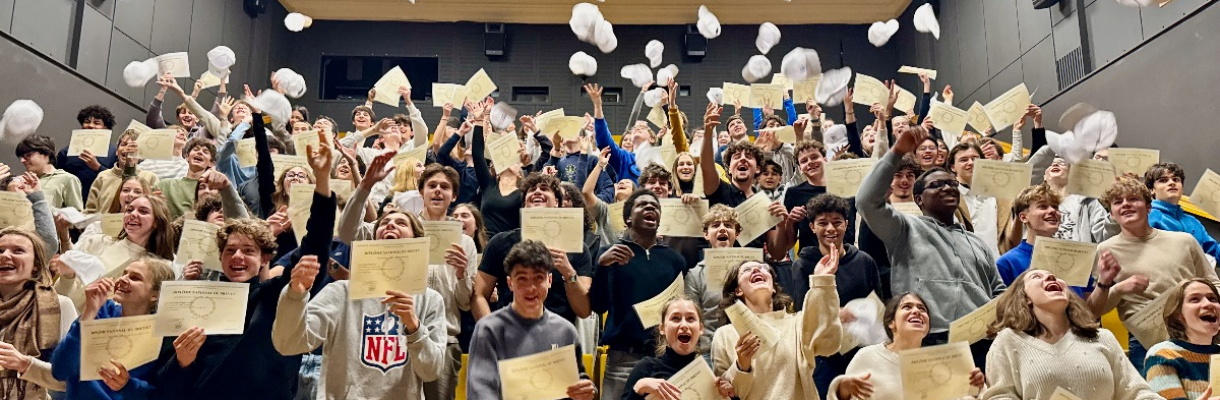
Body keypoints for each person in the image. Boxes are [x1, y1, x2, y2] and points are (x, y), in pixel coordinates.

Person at [154, 131, 335, 400]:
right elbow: (165, 387)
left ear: (264, 258)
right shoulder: (193, 301)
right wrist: (181, 362)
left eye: (248, 250)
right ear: (221, 257)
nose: (237, 256)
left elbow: (316, 244)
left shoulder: (276, 296)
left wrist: (321, 181)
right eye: (230, 250)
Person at [856, 122, 1004, 365]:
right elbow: (866, 201)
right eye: (936, 185)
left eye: (952, 184)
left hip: (983, 342)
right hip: (930, 341)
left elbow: (998, 289)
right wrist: (897, 151)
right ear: (918, 199)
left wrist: (1001, 317)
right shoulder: (904, 229)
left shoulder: (977, 242)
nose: (947, 187)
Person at [271, 233, 447, 400]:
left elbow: (430, 371)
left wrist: (414, 326)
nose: (391, 225)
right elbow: (289, 344)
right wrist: (295, 296)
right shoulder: (340, 291)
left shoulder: (431, 299)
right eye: (384, 223)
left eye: (401, 222)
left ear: (416, 242)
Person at [1090, 178, 1218, 372]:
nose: (1125, 205)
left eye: (1133, 199)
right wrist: (1115, 287)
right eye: (1117, 202)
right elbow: (1093, 311)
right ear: (1112, 214)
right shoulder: (1104, 250)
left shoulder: (1185, 241)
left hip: (1200, 335)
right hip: (1146, 345)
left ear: (1149, 206)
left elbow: (1213, 283)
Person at [981, 269, 1167, 400]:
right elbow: (1000, 396)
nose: (1051, 277)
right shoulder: (1007, 341)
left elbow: (1136, 393)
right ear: (1025, 299)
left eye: (1054, 276)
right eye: (1037, 277)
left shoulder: (1102, 337)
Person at [465, 240, 598, 400]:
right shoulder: (489, 329)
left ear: (549, 281)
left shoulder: (565, 330)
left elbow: (577, 379)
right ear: (510, 283)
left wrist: (585, 389)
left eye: (538, 278)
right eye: (522, 279)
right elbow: (480, 389)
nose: (531, 288)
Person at [589, 188, 688, 400]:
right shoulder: (610, 253)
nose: (651, 207)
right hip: (623, 359)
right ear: (627, 218)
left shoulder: (675, 261)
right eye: (642, 204)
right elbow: (598, 305)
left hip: (664, 359)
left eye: (655, 206)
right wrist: (602, 266)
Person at [788, 193, 880, 397]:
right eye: (823, 223)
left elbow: (877, 303)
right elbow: (804, 313)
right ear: (812, 226)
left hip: (860, 351)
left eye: (837, 222)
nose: (831, 229)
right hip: (824, 357)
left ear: (846, 224)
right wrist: (837, 314)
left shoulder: (864, 261)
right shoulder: (803, 265)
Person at [710, 257, 842, 400]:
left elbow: (829, 343)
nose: (756, 270)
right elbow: (723, 393)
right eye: (746, 270)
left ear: (773, 287)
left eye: (763, 268)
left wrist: (822, 282)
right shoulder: (724, 334)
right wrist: (741, 365)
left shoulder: (797, 322)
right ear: (738, 290)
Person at [472, 173, 593, 323]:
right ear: (524, 203)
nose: (537, 191)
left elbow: (584, 311)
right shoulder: (500, 243)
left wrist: (568, 272)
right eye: (532, 190)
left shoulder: (577, 247)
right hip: (511, 336)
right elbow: (479, 294)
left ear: (557, 202)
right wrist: (491, 330)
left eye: (544, 189)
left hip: (558, 340)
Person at [49, 257, 176, 400]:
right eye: (124, 274)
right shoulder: (100, 311)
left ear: (155, 295)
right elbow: (60, 370)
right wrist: (88, 314)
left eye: (135, 278)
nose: (122, 279)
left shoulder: (162, 333)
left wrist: (128, 385)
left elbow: (159, 393)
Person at [828, 292, 985, 400]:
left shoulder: (942, 360)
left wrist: (976, 389)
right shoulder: (867, 357)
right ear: (891, 323)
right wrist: (843, 391)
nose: (916, 311)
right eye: (907, 307)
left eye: (922, 309)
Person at [55, 194, 176, 308]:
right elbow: (60, 296)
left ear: (156, 222)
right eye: (129, 210)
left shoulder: (164, 266)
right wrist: (68, 276)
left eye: (143, 211)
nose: (133, 214)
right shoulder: (95, 241)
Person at [0, 227, 78, 400]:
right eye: (0, 250)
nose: (5, 255)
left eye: (18, 250)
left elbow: (73, 378)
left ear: (35, 265)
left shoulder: (60, 305)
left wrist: (24, 364)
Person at [621, 296, 735, 400]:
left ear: (700, 328)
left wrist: (730, 394)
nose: (684, 325)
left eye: (690, 318)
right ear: (662, 328)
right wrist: (639, 388)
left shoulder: (711, 373)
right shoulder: (646, 367)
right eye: (675, 318)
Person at [1144, 278, 1220, 400]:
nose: (1208, 304)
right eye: (1195, 299)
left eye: (1213, 299)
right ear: (1179, 315)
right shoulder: (1162, 355)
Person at [684, 204, 743, 343]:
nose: (722, 228)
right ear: (706, 234)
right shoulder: (695, 274)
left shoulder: (752, 268)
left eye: (728, 225)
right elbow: (690, 317)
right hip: (710, 350)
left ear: (737, 233)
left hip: (749, 346)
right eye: (716, 225)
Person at [1145, 163, 1220, 263]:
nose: (1171, 183)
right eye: (1163, 180)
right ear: (1151, 190)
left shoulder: (1193, 222)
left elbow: (1216, 254)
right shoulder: (1148, 216)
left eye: (1176, 179)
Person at [84, 129, 159, 214]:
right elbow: (90, 211)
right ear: (116, 151)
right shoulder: (103, 177)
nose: (128, 149)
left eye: (133, 146)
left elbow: (155, 210)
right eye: (124, 144)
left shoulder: (150, 177)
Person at [58, 105, 118, 202]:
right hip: (69, 205)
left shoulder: (115, 152)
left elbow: (117, 181)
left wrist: (98, 167)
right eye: (87, 121)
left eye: (97, 123)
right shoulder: (66, 152)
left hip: (101, 204)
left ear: (105, 128)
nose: (90, 125)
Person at [587, 83, 641, 183]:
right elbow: (604, 140)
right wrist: (598, 107)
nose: (628, 142)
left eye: (632, 140)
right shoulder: (623, 158)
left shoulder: (654, 157)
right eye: (625, 139)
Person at [154, 138, 218, 218]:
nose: (200, 152)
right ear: (187, 157)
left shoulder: (209, 191)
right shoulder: (166, 185)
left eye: (205, 152)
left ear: (211, 163)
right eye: (196, 149)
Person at [16, 135, 83, 210]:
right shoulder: (20, 181)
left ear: (46, 154)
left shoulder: (67, 179)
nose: (22, 160)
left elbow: (76, 215)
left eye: (28, 155)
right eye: (21, 157)